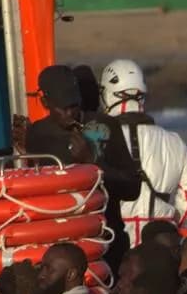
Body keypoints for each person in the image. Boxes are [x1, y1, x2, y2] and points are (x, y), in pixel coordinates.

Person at [26, 65, 140, 271]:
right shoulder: (37, 135)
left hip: (106, 243)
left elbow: (133, 188)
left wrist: (92, 163)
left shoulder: (104, 126)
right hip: (60, 246)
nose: (70, 114)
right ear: (45, 103)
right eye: (62, 108)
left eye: (74, 106)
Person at [98, 59, 187, 246]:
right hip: (161, 243)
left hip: (115, 241)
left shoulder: (98, 139)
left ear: (107, 95)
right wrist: (171, 223)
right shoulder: (174, 141)